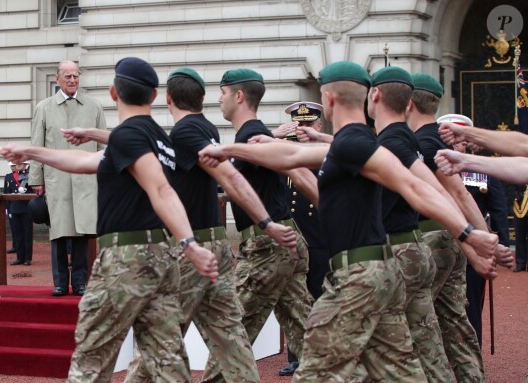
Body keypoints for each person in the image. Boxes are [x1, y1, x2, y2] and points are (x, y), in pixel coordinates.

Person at [199, 61, 498, 382]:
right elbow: (292, 157)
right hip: (379, 272)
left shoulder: (359, 143)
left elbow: (419, 187)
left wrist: (468, 235)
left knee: (317, 368)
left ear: (328, 99)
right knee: (401, 369)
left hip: (360, 276)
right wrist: (237, 149)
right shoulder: (353, 142)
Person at [61, 67, 298, 383]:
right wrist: (94, 134)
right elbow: (145, 145)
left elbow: (228, 175)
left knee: (161, 342)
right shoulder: (203, 129)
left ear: (167, 99)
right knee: (229, 338)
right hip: (215, 244)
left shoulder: (185, 134)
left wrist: (265, 222)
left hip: (192, 249)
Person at [0, 57, 218, 382]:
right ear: (155, 96)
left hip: (125, 260)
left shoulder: (128, 135)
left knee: (89, 363)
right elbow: (86, 161)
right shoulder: (157, 137)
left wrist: (190, 244)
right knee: (168, 363)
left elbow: (160, 188)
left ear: (114, 93)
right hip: (161, 260)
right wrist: (32, 152)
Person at [200, 68, 314, 383]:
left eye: (222, 93)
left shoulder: (249, 135)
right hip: (285, 243)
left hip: (266, 248)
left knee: (231, 331)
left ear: (238, 96)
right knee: (306, 329)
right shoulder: (256, 132)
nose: (219, 100)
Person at [406, 73, 512, 381]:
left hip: (429, 239)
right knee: (454, 321)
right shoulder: (431, 142)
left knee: (412, 324)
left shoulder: (422, 143)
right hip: (454, 241)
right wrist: (485, 240)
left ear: (409, 102)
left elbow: (459, 194)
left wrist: (484, 240)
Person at [367, 66, 455, 382]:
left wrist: (469, 233)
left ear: (374, 95)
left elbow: (427, 188)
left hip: (397, 251)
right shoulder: (403, 137)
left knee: (391, 349)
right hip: (414, 245)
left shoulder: (393, 141)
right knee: (427, 345)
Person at [29, 60, 107, 297]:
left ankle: (81, 282)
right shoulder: (43, 108)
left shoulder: (94, 107)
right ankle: (61, 282)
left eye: (76, 76)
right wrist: (36, 178)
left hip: (85, 179)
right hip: (57, 179)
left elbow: (103, 146)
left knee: (82, 232)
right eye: (68, 77)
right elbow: (36, 145)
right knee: (59, 232)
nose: (72, 80)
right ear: (57, 79)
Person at [272, 101, 330, 376]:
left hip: (320, 237)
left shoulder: (327, 155)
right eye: (298, 124)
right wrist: (275, 136)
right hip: (293, 238)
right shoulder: (284, 154)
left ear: (319, 126)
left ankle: (322, 355)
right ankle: (296, 356)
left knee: (318, 296)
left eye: (308, 124)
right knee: (295, 299)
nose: (303, 129)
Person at [453, 140, 511, 343]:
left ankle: (473, 362)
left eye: (460, 142)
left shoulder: (481, 173)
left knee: (471, 310)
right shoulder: (430, 166)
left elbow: (497, 209)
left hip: (473, 252)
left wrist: (500, 243)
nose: (456, 145)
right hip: (441, 249)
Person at [4, 161, 34, 266]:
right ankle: (19, 257)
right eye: (17, 164)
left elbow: (35, 192)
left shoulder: (30, 175)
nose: (18, 165)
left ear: (26, 165)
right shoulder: (11, 176)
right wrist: (7, 208)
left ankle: (27, 258)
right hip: (14, 208)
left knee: (27, 234)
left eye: (21, 164)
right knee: (17, 234)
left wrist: (26, 191)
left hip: (26, 208)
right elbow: (7, 193)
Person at [5, 162, 17, 254]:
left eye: (14, 165)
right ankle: (14, 245)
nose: (12, 167)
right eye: (11, 166)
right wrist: (6, 207)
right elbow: (6, 192)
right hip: (12, 205)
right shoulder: (8, 177)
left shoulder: (24, 175)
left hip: (21, 206)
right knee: (13, 228)